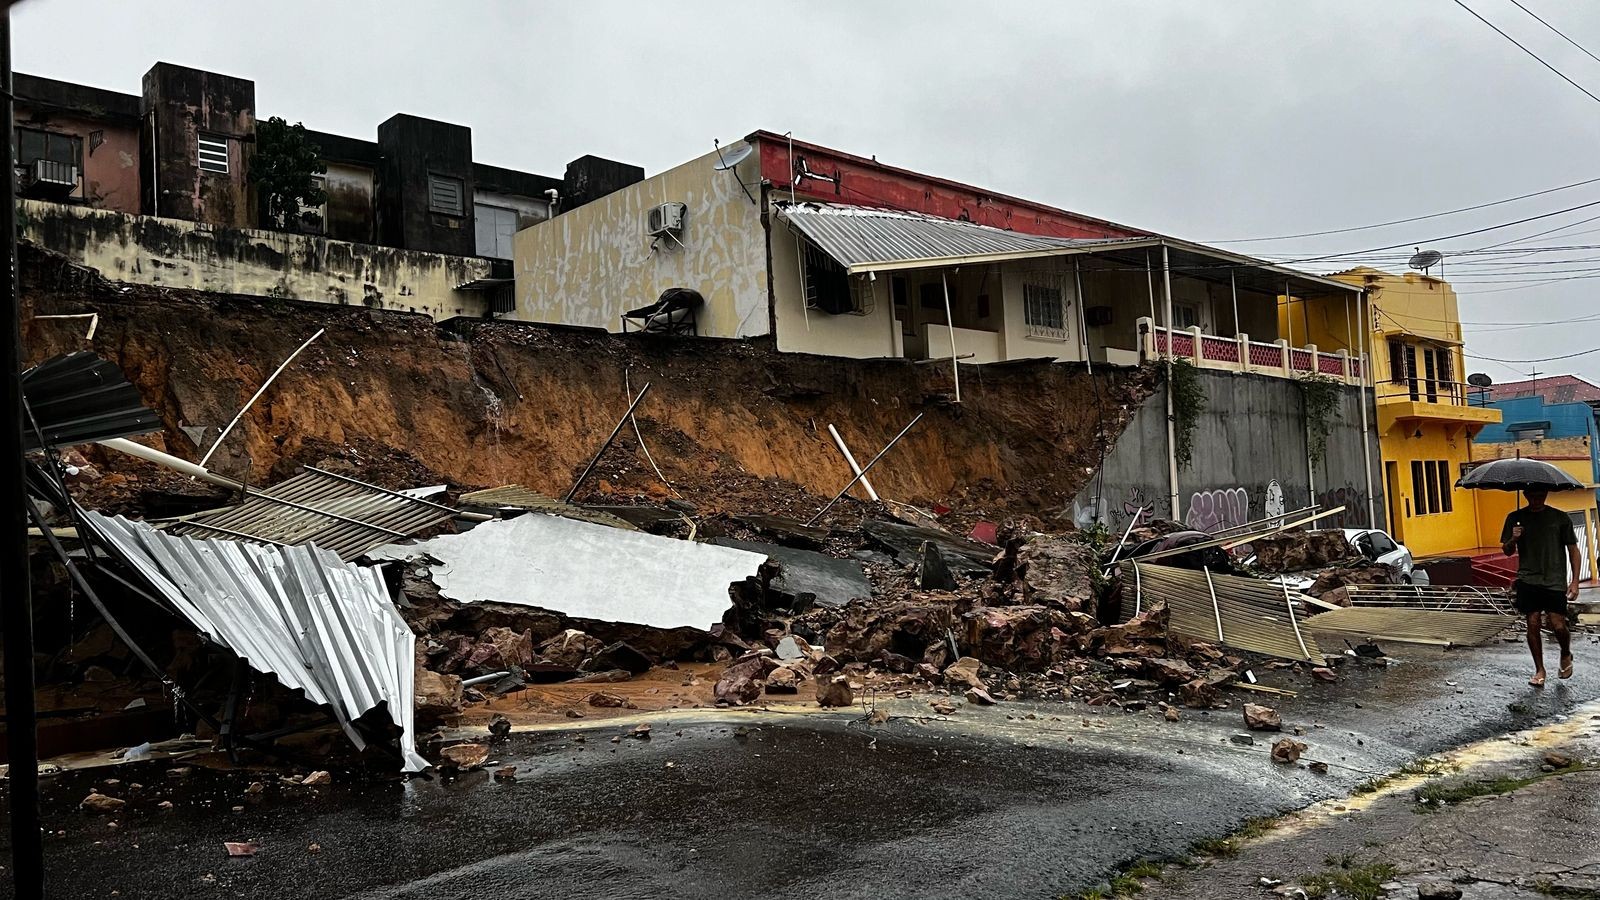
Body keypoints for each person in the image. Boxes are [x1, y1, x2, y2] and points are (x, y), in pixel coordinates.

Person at [1500, 488, 1581, 687]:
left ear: (1545, 495)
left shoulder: (1559, 518)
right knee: (1533, 622)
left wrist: (1575, 581)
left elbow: (1573, 550)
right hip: (1528, 578)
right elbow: (1507, 551)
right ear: (1526, 495)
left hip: (1554, 579)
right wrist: (1514, 538)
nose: (1537, 499)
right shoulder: (1515, 518)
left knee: (1558, 624)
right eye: (1533, 496)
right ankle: (1539, 669)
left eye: (1540, 495)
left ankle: (1565, 652)